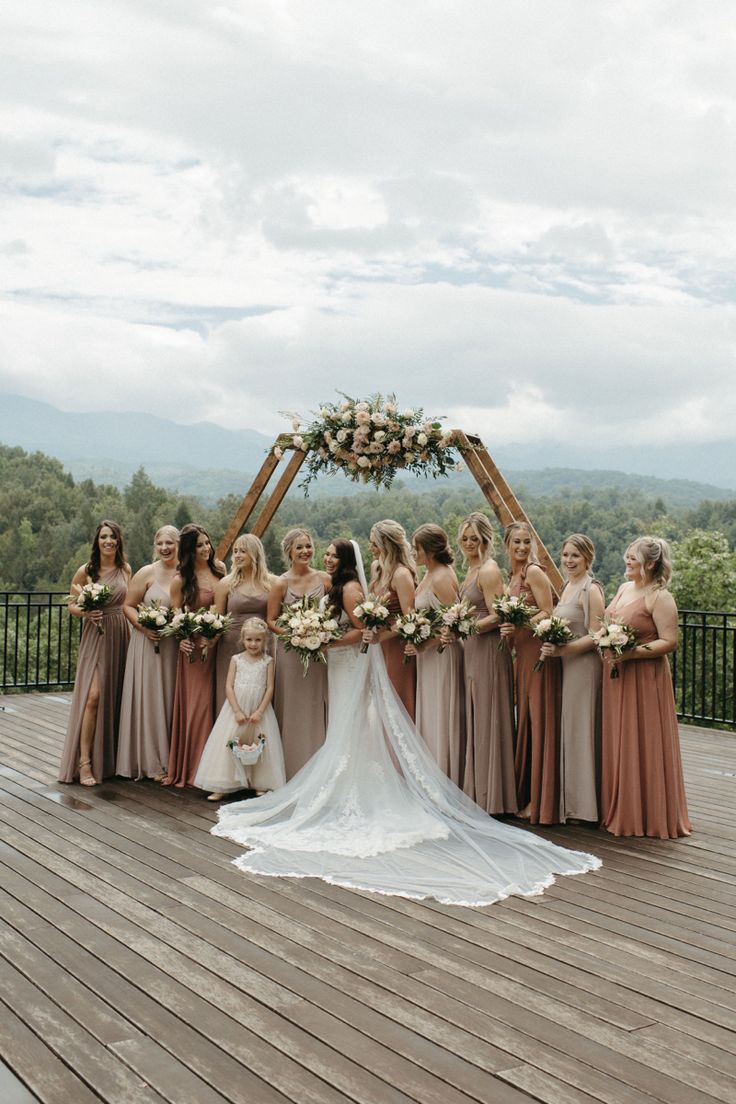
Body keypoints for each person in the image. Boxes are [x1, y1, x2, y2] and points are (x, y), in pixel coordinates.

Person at [214, 540, 600, 907]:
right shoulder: (352, 581)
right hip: (345, 659)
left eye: (332, 554)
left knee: (357, 723)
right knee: (351, 725)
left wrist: (328, 640)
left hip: (351, 658)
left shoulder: (354, 586)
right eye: (324, 554)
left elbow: (364, 627)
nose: (326, 559)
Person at [601, 537, 691, 838]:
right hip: (618, 677)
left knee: (644, 740)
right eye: (627, 556)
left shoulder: (659, 597)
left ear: (650, 564)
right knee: (621, 739)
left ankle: (649, 813)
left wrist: (632, 653)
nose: (627, 561)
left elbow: (669, 641)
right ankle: (624, 805)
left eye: (633, 558)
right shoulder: (624, 588)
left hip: (645, 681)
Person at [452, 513, 517, 815]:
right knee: (477, 715)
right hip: (472, 650)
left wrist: (467, 628)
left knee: (489, 716)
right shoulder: (471, 569)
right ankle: (478, 790)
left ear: (485, 539)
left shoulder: (489, 570)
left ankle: (494, 796)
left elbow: (498, 614)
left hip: (488, 650)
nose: (468, 543)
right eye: (464, 538)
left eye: (473, 539)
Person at [58, 520, 131, 786]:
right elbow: (71, 604)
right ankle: (84, 762)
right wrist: (86, 611)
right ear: (97, 541)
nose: (108, 541)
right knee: (93, 697)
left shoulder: (125, 569)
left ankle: (110, 760)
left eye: (113, 536)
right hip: (96, 635)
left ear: (119, 541)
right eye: (103, 537)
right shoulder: (86, 571)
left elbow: (130, 604)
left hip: (120, 635)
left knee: (115, 696)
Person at [540, 534, 604, 824]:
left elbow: (596, 635)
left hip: (584, 668)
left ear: (587, 558)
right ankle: (572, 802)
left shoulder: (591, 590)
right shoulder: (567, 586)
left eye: (574, 556)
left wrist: (564, 649)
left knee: (581, 731)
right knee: (570, 730)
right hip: (566, 666)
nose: (568, 561)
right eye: (565, 555)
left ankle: (585, 808)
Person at [500, 520, 560, 824]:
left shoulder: (535, 572)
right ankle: (524, 794)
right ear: (507, 545)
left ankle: (541, 800)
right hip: (520, 655)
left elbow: (549, 611)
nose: (522, 547)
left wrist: (520, 623)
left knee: (539, 723)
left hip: (537, 655)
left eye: (526, 542)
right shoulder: (512, 577)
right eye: (516, 542)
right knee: (524, 719)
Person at [194, 618, 285, 801]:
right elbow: (228, 686)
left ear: (265, 641)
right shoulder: (236, 659)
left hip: (259, 710)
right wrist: (236, 710)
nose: (253, 644)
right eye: (249, 640)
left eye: (258, 640)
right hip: (236, 708)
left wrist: (260, 711)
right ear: (242, 640)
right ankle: (223, 785)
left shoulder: (268, 661)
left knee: (259, 743)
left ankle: (260, 783)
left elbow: (270, 688)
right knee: (229, 743)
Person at [164, 524, 225, 788]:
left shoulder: (220, 571)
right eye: (200, 545)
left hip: (220, 648)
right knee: (198, 707)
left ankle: (218, 768)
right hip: (196, 652)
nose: (206, 548)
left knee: (218, 703)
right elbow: (176, 614)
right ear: (190, 550)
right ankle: (195, 769)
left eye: (207, 543)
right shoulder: (180, 581)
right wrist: (183, 639)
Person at [116, 525, 179, 781]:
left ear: (178, 546)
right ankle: (151, 761)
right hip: (147, 644)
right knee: (150, 697)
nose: (164, 548)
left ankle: (172, 760)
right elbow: (128, 606)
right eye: (160, 543)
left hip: (173, 645)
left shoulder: (185, 574)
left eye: (170, 543)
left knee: (171, 697)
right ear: (156, 545)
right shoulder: (145, 573)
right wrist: (144, 626)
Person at [267, 528, 329, 779]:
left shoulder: (325, 579)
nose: (305, 551)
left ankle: (320, 766)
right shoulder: (280, 583)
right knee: (292, 705)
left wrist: (321, 634)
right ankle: (290, 768)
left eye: (308, 546)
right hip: (290, 653)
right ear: (289, 553)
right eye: (299, 547)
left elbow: (335, 613)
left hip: (319, 653)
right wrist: (295, 635)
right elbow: (270, 620)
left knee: (318, 702)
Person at [408, 523, 466, 786]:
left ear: (428, 550)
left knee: (440, 715)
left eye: (416, 547)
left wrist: (423, 643)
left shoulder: (442, 576)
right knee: (430, 714)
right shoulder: (428, 573)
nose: (412, 551)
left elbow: (453, 623)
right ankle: (429, 777)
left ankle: (443, 778)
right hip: (428, 657)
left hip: (442, 655)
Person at [214, 534, 275, 712]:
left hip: (262, 644)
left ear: (255, 554)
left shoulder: (271, 583)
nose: (238, 556)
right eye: (235, 552)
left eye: (243, 551)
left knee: (262, 688)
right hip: (230, 644)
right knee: (230, 689)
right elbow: (218, 619)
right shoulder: (226, 584)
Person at [364, 519, 417, 719]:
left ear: (387, 545)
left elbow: (410, 618)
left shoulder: (401, 574)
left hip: (397, 646)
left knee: (397, 701)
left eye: (374, 544)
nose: (371, 548)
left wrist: (382, 636)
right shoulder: (377, 568)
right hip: (379, 647)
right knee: (380, 703)